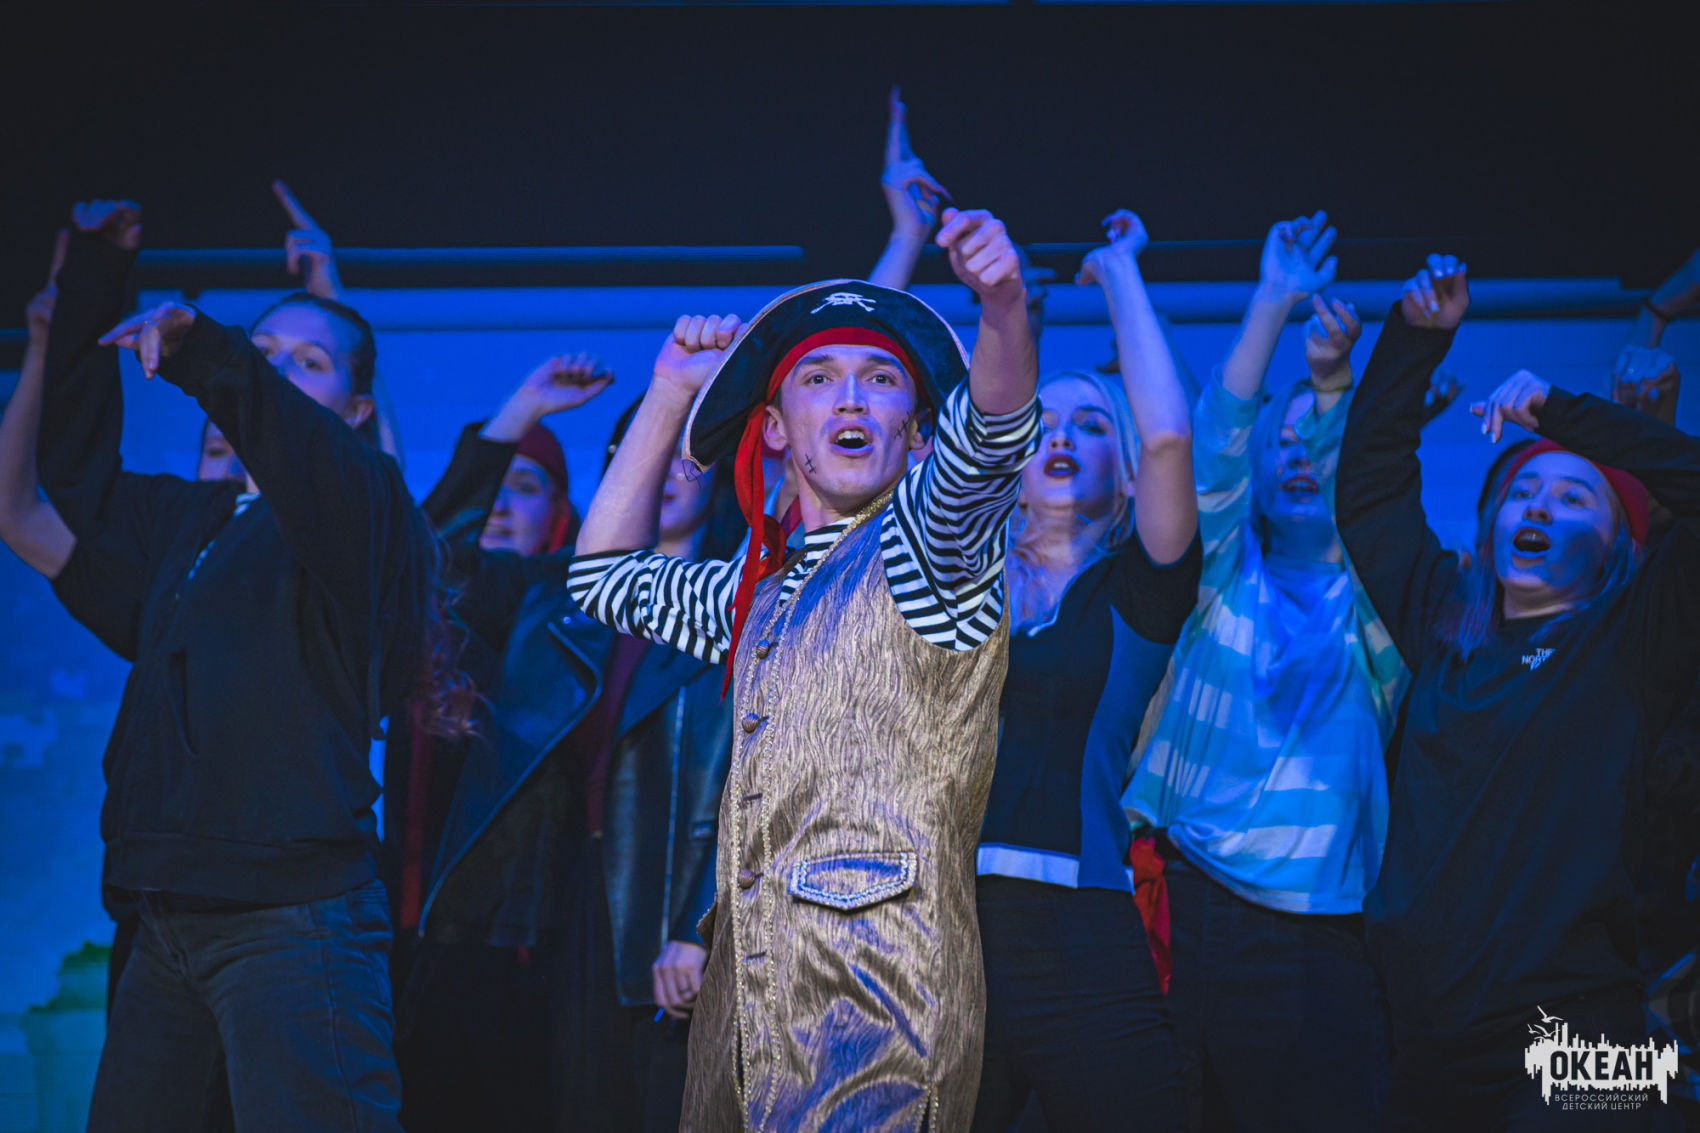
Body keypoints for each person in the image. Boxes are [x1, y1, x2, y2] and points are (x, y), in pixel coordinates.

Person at [569, 204, 1040, 1133]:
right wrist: (669, 393)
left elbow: (992, 437)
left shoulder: (928, 551)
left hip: (879, 1006)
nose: (852, 399)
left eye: (880, 379)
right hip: (742, 1013)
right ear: (779, 430)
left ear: (917, 431)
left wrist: (1004, 305)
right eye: (819, 380)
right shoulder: (759, 590)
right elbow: (603, 578)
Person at [36, 199, 463, 1133]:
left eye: (306, 362)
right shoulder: (188, 518)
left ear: (357, 409)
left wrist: (213, 352)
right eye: (264, 352)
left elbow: (305, 450)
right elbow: (73, 481)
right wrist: (94, 282)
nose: (273, 370)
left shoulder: (367, 510)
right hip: (165, 913)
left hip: (291, 918)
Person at [1336, 255, 1700, 1129]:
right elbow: (1371, 491)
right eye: (1522, 490)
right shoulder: (1443, 626)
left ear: (1616, 548)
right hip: (1426, 1037)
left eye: (1574, 497)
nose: (1538, 506)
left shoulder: (1631, 641)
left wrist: (1564, 414)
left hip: (1584, 1032)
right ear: (1492, 521)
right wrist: (1413, 338)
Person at [1122, 212, 1405, 1131]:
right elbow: (1214, 449)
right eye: (1280, 440)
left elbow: (1356, 472)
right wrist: (1272, 300)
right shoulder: (1220, 581)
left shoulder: (1380, 608)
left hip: (1322, 933)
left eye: (1309, 439)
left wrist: (1332, 390)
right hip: (1190, 902)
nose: (1294, 452)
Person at [969, 209, 1198, 1132]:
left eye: (1092, 424)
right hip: (946, 926)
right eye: (1044, 424)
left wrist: (1120, 272)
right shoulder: (957, 580)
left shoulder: (1139, 593)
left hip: (1079, 932)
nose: (1061, 437)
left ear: (1126, 471)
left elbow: (1170, 434)